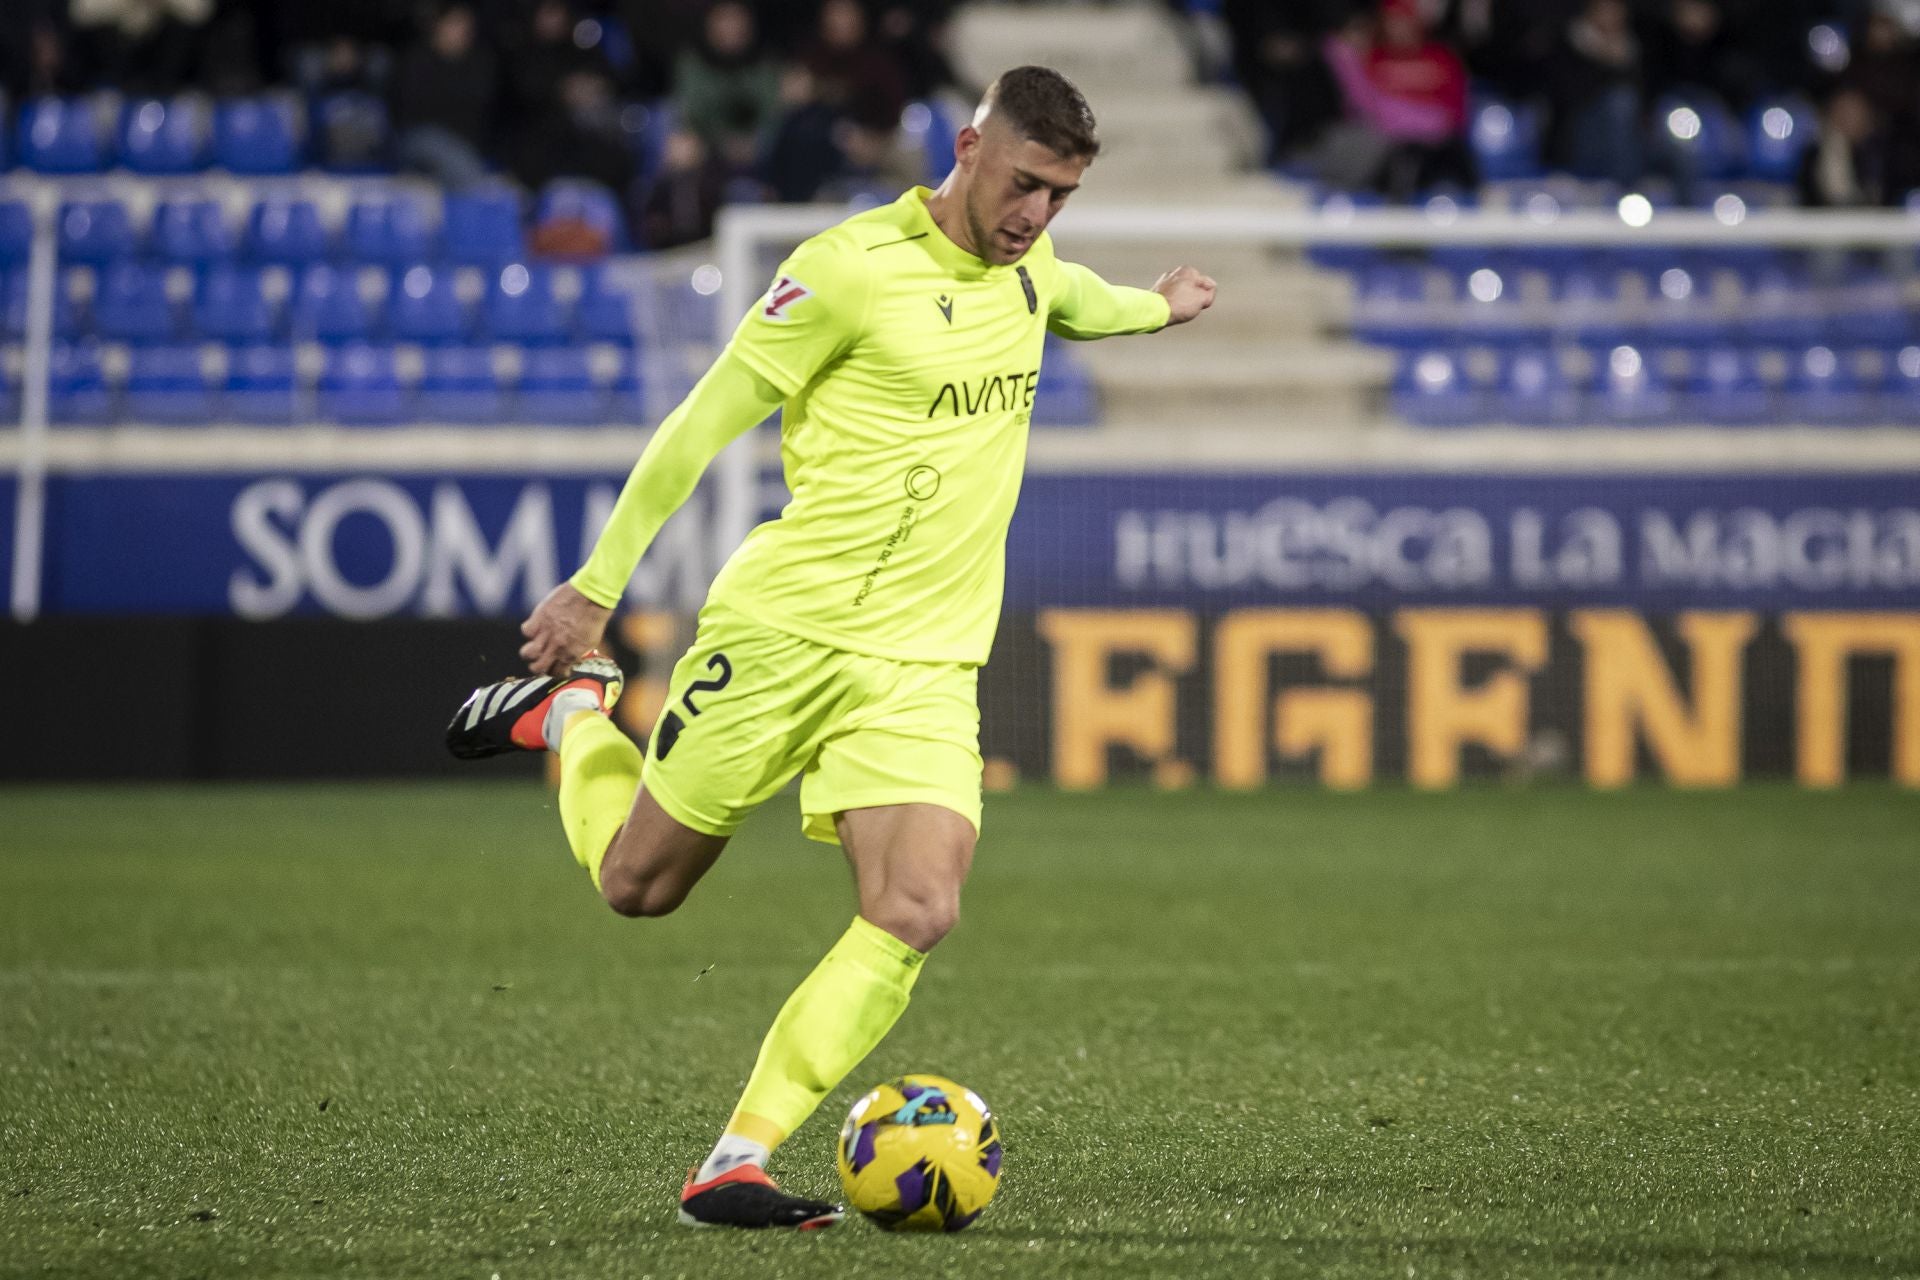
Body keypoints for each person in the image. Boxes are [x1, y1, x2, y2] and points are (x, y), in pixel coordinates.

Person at [445, 64, 1215, 1231]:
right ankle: (572, 715)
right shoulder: (848, 270)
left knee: (917, 905)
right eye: (1022, 186)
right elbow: (700, 421)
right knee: (638, 886)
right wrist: (595, 592)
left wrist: (1159, 305)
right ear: (966, 147)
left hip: (924, 666)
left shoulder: (1033, 270)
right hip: (785, 633)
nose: (1035, 217)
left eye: (1059, 197)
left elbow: (1080, 300)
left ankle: (733, 1159)